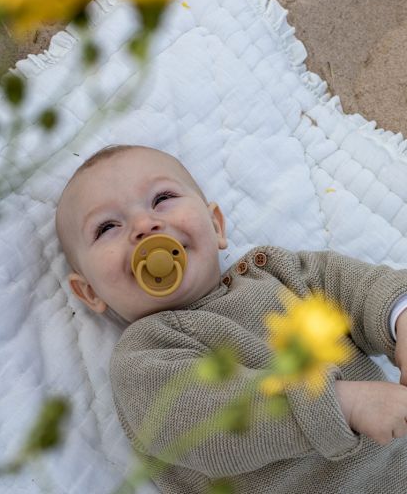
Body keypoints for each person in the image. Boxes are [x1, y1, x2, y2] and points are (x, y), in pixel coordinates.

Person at [55, 144, 407, 493]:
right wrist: (345, 405)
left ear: (216, 225)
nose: (145, 225)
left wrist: (400, 318)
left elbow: (358, 288)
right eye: (106, 227)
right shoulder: (143, 357)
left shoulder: (278, 273)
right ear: (90, 293)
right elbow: (209, 424)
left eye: (162, 198)